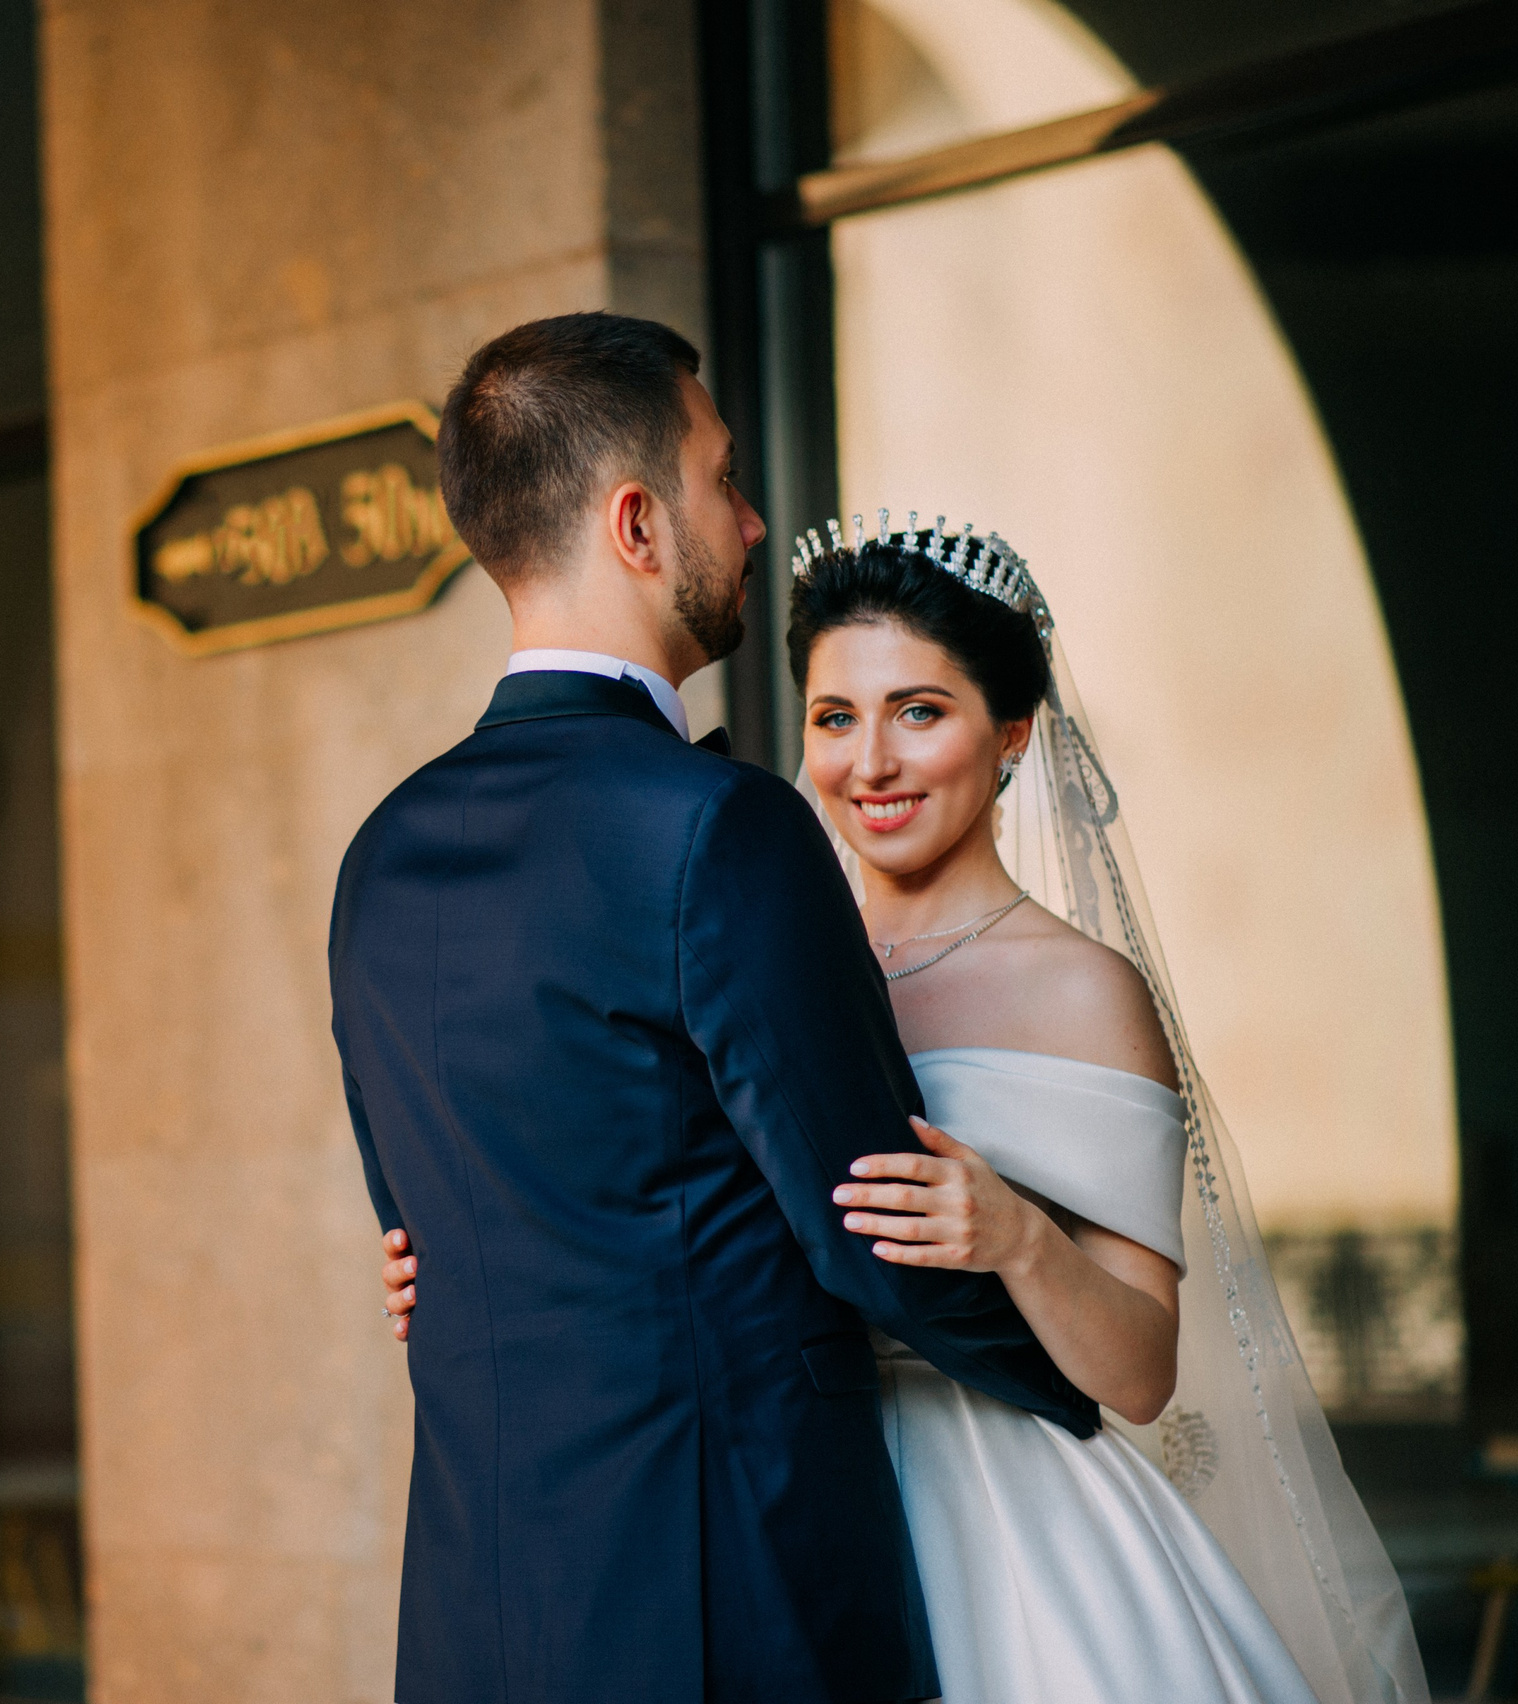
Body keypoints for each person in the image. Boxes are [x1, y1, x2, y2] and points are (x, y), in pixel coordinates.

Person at [381, 512, 1431, 1703]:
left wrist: (1016, 1236)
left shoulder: (1081, 992)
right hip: (766, 1492)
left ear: (1012, 733)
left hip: (1007, 1525)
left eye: (918, 712)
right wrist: (467, 1250)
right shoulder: (750, 955)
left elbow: (1142, 1372)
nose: (869, 764)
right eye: (835, 718)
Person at [329, 311, 1093, 1704]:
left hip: (476, 1610)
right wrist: (1080, 1384)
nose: (749, 524)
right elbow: (868, 1217)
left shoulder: (379, 854)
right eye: (723, 478)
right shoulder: (714, 827)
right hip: (727, 1592)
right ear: (636, 523)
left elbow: (417, 1241)